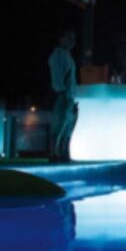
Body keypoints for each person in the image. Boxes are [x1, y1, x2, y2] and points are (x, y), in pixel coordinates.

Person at [48, 29, 78, 162]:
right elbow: (58, 77)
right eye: (69, 37)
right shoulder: (58, 55)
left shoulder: (66, 55)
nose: (72, 41)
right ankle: (55, 153)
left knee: (66, 127)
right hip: (63, 94)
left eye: (73, 38)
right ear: (61, 39)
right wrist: (62, 93)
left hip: (68, 95)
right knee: (59, 125)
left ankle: (62, 153)